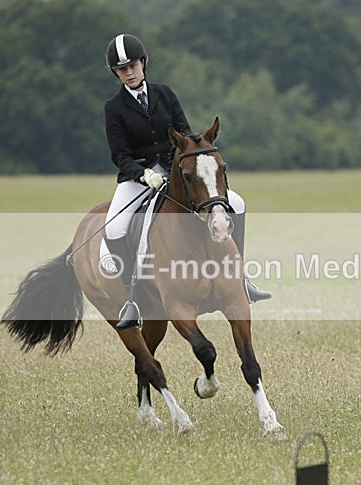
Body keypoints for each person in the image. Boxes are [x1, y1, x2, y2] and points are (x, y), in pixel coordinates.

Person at [102, 34, 271, 328]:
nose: (129, 72)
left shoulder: (165, 94)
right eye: (122, 69)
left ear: (143, 64)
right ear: (116, 73)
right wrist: (143, 174)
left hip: (177, 171)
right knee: (115, 227)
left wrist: (184, 163)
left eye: (133, 66)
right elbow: (120, 154)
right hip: (138, 177)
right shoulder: (113, 108)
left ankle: (240, 277)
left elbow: (186, 134)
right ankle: (133, 297)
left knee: (238, 203)